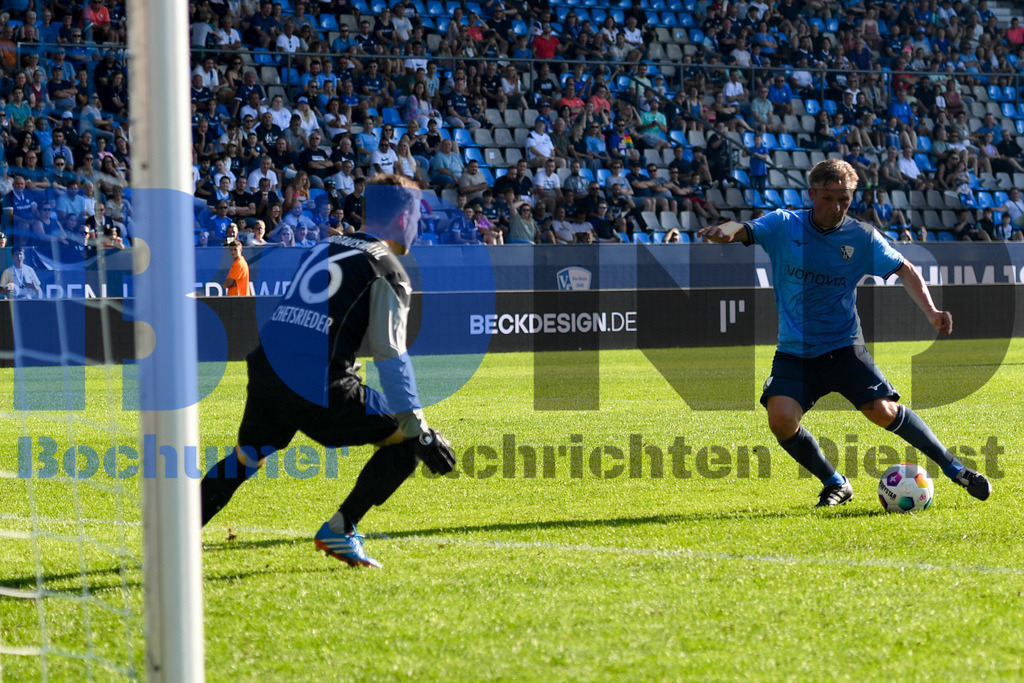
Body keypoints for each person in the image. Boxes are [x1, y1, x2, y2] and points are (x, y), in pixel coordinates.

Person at [696, 159, 991, 507]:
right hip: (794, 350)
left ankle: (956, 469)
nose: (836, 207)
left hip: (844, 345)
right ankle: (835, 482)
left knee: (882, 410)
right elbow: (745, 228)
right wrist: (725, 231)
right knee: (781, 419)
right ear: (811, 194)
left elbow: (905, 268)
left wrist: (932, 312)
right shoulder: (783, 224)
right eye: (828, 198)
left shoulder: (861, 237)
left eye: (844, 200)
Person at [200, 174, 456, 568]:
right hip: (320, 383)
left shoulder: (325, 246)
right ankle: (341, 528)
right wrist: (420, 430)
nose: (418, 228)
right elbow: (391, 355)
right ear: (404, 219)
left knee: (248, 456)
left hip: (268, 368)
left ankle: (174, 539)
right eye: (417, 219)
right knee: (408, 439)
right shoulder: (387, 269)